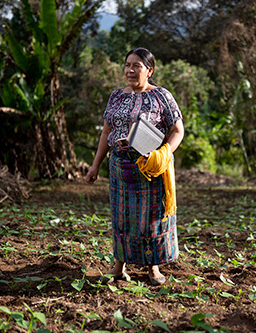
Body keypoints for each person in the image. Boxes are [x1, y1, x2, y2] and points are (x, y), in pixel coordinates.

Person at [85, 47, 184, 286]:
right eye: (127, 65)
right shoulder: (116, 96)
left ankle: (153, 268)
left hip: (149, 169)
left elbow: (177, 131)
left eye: (136, 66)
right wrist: (95, 165)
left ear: (149, 70)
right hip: (120, 166)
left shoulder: (161, 96)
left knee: (150, 218)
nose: (130, 70)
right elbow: (106, 131)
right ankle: (118, 268)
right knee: (123, 218)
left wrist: (162, 154)